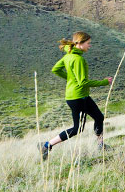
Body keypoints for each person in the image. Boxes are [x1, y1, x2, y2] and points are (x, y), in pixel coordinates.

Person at [38, 31, 113, 160]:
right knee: (76, 129)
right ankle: (46, 145)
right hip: (77, 98)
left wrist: (70, 79)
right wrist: (104, 82)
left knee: (99, 117)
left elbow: (55, 69)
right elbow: (83, 82)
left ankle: (100, 145)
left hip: (80, 96)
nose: (90, 46)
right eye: (88, 43)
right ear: (80, 43)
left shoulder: (69, 55)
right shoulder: (78, 59)